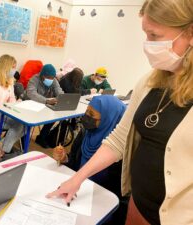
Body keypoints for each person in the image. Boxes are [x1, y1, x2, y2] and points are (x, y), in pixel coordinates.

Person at [47, 0, 193, 224]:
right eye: (146, 35)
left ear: (190, 33)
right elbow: (118, 140)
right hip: (138, 204)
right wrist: (78, 178)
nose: (148, 44)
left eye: (154, 35)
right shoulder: (149, 82)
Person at [53, 95, 127, 224]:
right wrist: (65, 158)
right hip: (75, 193)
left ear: (108, 119)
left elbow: (116, 195)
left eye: (91, 114)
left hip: (98, 203)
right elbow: (75, 165)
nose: (86, 117)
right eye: (86, 111)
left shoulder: (120, 154)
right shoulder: (86, 134)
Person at [26, 64, 64, 148]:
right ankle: (24, 138)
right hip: (30, 105)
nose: (51, 80)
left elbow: (59, 90)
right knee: (28, 120)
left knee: (54, 116)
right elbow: (31, 93)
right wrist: (46, 100)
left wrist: (62, 98)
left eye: (52, 78)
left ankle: (41, 137)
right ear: (42, 75)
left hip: (45, 105)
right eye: (48, 78)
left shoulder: (53, 80)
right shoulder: (34, 79)